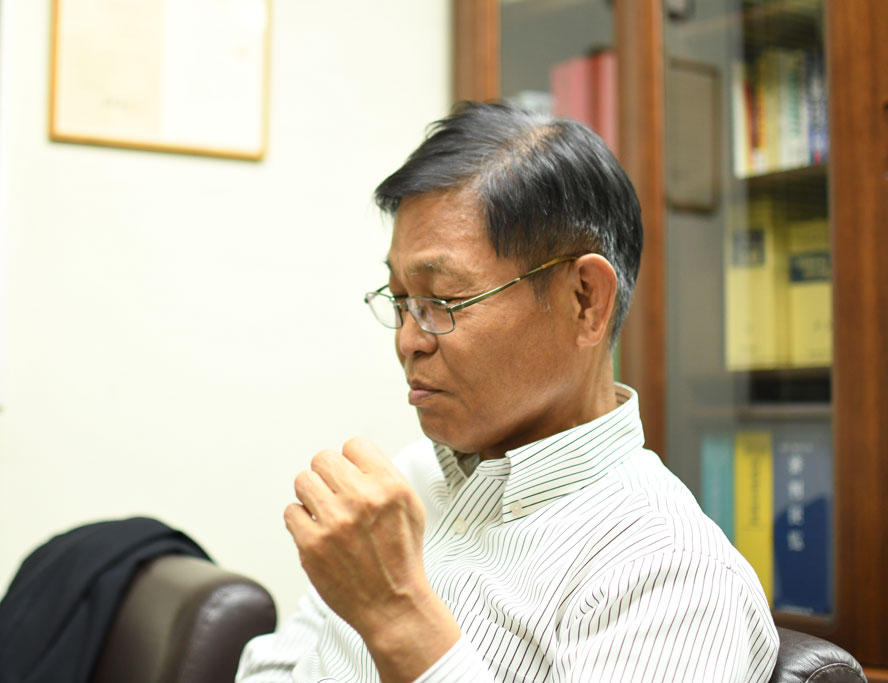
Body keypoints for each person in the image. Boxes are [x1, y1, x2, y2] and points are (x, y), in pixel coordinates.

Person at [235, 102, 778, 683]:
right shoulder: (411, 480)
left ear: (585, 301)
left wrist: (397, 614)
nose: (408, 340)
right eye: (401, 302)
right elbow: (279, 665)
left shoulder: (668, 574)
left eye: (442, 301)